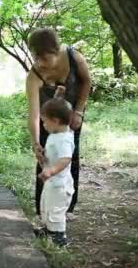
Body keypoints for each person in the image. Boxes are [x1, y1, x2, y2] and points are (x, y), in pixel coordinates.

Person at [26, 27, 92, 218]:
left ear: (56, 52)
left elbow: (87, 81)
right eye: (35, 58)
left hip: (71, 116)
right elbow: (33, 114)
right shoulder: (34, 76)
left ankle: (67, 208)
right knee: (45, 158)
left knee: (70, 156)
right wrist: (35, 143)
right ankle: (43, 209)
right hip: (48, 121)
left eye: (44, 58)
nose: (39, 63)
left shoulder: (73, 57)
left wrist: (79, 111)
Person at [34, 89, 75, 246]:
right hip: (52, 183)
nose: (43, 125)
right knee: (46, 206)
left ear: (56, 121)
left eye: (45, 121)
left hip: (60, 184)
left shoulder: (64, 139)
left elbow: (65, 159)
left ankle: (59, 238)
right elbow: (56, 154)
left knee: (55, 211)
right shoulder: (57, 134)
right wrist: (44, 156)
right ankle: (48, 229)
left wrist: (51, 170)